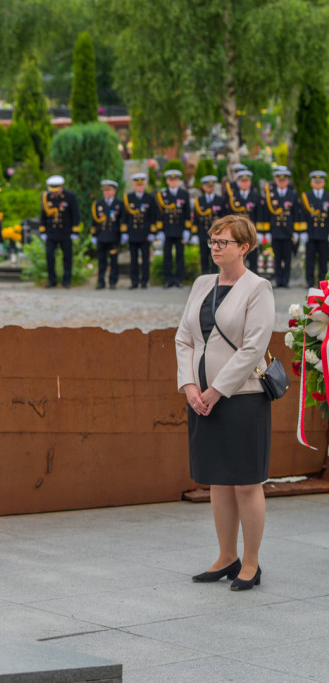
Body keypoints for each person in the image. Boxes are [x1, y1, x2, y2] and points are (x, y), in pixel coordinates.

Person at [175, 213, 274, 592]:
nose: (215, 248)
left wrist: (217, 389)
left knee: (245, 483)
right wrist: (189, 385)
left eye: (223, 242)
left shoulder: (258, 288)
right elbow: (184, 338)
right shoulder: (202, 284)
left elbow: (254, 347)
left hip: (242, 397)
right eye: (212, 241)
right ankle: (226, 556)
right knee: (218, 480)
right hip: (200, 397)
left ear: (244, 247)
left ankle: (251, 562)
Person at [261, 167, 302, 287]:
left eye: (284, 180)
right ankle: (279, 281)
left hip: (288, 232)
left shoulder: (292, 194)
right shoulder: (271, 194)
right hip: (275, 231)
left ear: (287, 181)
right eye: (280, 180)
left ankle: (286, 281)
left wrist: (297, 231)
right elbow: (266, 214)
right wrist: (266, 232)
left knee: (288, 258)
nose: (282, 182)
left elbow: (296, 213)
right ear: (276, 180)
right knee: (277, 258)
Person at [38, 175, 80, 289]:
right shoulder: (46, 197)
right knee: (49, 256)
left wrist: (75, 231)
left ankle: (67, 280)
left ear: (61, 187)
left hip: (65, 232)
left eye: (56, 189)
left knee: (67, 257)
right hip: (51, 232)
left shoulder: (69, 197)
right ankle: (52, 280)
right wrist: (42, 231)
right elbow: (43, 215)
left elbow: (75, 214)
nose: (54, 192)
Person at [157, 169, 192, 288]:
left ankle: (178, 279)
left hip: (179, 230)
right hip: (167, 230)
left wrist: (187, 230)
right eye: (171, 180)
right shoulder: (162, 195)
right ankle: (168, 279)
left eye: (175, 179)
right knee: (167, 256)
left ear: (178, 181)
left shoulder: (184, 194)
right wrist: (159, 231)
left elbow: (187, 213)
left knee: (180, 256)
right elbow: (159, 214)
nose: (173, 182)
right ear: (167, 181)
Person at [121, 172, 157, 289]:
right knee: (133, 259)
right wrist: (124, 232)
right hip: (132, 233)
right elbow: (124, 216)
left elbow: (153, 216)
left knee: (145, 259)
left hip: (145, 234)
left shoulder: (150, 198)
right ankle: (134, 281)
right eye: (137, 185)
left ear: (144, 185)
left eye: (141, 185)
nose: (139, 187)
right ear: (134, 185)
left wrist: (153, 232)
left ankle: (144, 281)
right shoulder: (128, 198)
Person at [226, 169, 262, 273]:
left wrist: (260, 232)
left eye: (246, 181)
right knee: (236, 256)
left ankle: (253, 276)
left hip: (251, 232)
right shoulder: (233, 197)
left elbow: (260, 214)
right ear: (238, 182)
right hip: (236, 232)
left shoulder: (256, 196)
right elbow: (229, 215)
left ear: (250, 182)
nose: (244, 183)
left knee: (253, 257)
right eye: (242, 181)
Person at [91, 179, 123, 290]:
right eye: (104, 191)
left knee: (114, 261)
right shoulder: (98, 204)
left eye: (109, 190)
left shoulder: (119, 204)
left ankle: (113, 282)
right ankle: (101, 282)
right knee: (101, 261)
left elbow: (122, 219)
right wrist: (94, 235)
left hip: (114, 237)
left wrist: (123, 234)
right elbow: (94, 221)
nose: (106, 192)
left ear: (114, 191)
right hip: (101, 236)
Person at [300, 170, 329, 288]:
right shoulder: (307, 196)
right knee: (310, 259)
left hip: (324, 233)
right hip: (310, 233)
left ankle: (323, 283)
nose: (318, 184)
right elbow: (302, 215)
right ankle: (310, 281)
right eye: (315, 182)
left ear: (324, 183)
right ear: (312, 183)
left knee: (323, 259)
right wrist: (303, 232)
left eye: (320, 182)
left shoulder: (327, 196)